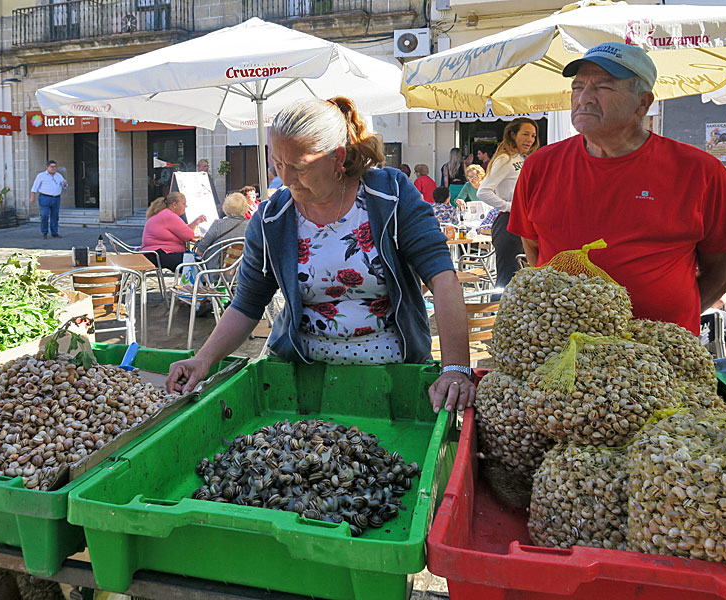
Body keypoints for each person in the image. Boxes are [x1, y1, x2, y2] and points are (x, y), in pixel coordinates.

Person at [167, 96, 475, 415]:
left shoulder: (390, 195)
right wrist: (203, 359)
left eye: (299, 167)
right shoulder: (272, 219)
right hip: (302, 381)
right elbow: (247, 304)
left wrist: (456, 368)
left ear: (336, 157)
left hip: (394, 377)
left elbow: (442, 277)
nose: (285, 179)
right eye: (278, 164)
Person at [509, 42, 726, 335]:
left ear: (643, 104)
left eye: (603, 88)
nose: (584, 99)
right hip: (562, 351)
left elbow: (725, 270)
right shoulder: (539, 166)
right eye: (577, 87)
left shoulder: (701, 171)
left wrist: (673, 319)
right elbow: (534, 248)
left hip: (656, 361)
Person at [477, 117, 539, 294]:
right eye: (525, 134)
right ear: (513, 135)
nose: (530, 139)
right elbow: (483, 191)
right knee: (508, 280)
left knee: (522, 280)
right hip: (508, 223)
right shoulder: (504, 159)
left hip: (523, 222)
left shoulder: (522, 159)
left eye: (533, 136)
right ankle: (498, 318)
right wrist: (510, 207)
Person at [141, 191, 206, 272]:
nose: (186, 206)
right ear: (174, 205)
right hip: (158, 255)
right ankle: (199, 283)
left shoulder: (164, 213)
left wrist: (195, 222)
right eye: (183, 203)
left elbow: (183, 231)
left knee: (194, 260)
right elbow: (188, 235)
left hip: (153, 254)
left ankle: (194, 283)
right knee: (200, 262)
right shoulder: (169, 215)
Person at [195, 192, 249, 267]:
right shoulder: (251, 225)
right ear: (245, 208)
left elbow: (200, 250)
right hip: (243, 271)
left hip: (216, 272)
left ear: (225, 208)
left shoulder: (218, 224)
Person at [29, 160, 67, 239]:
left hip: (56, 198)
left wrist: (65, 184)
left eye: (55, 167)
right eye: (51, 167)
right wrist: (32, 197)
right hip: (45, 197)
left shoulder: (58, 175)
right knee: (44, 215)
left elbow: (64, 186)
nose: (53, 168)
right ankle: (44, 232)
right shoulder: (41, 175)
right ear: (47, 167)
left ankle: (54, 232)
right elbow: (34, 187)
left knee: (55, 215)